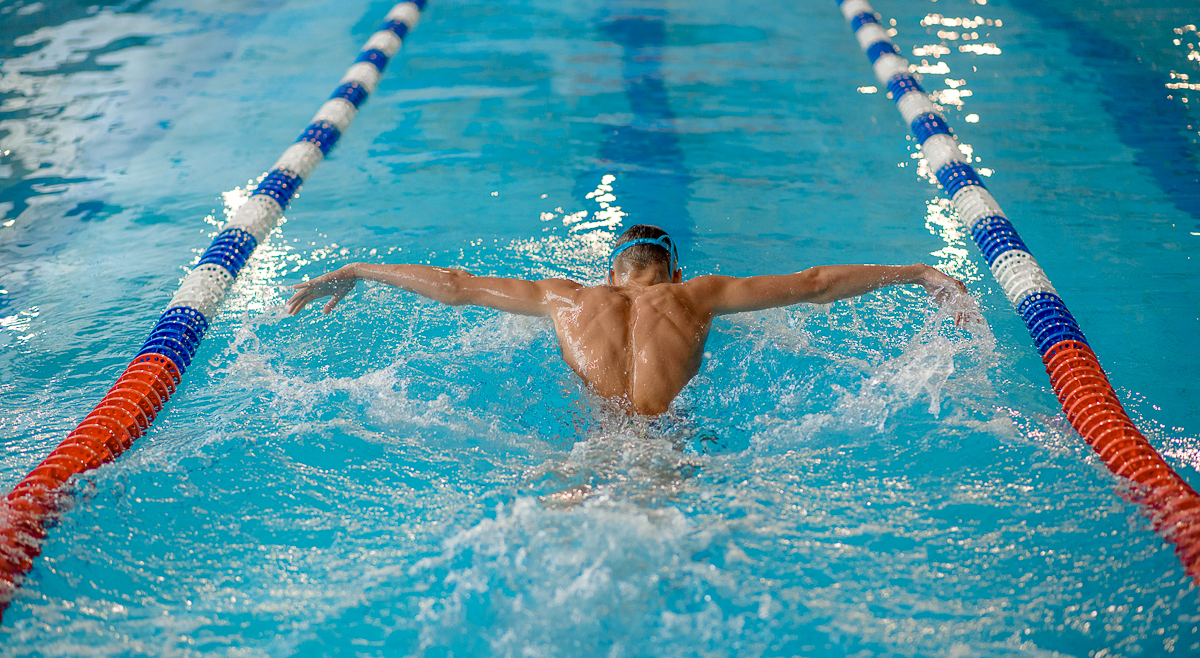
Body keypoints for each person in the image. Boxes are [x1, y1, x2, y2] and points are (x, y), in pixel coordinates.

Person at [286, 224, 969, 416]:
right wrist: (915, 272)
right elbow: (815, 285)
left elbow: (456, 287)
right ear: (670, 275)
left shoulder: (564, 297)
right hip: (667, 449)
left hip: (589, 448)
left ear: (610, 274)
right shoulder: (697, 296)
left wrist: (357, 271)